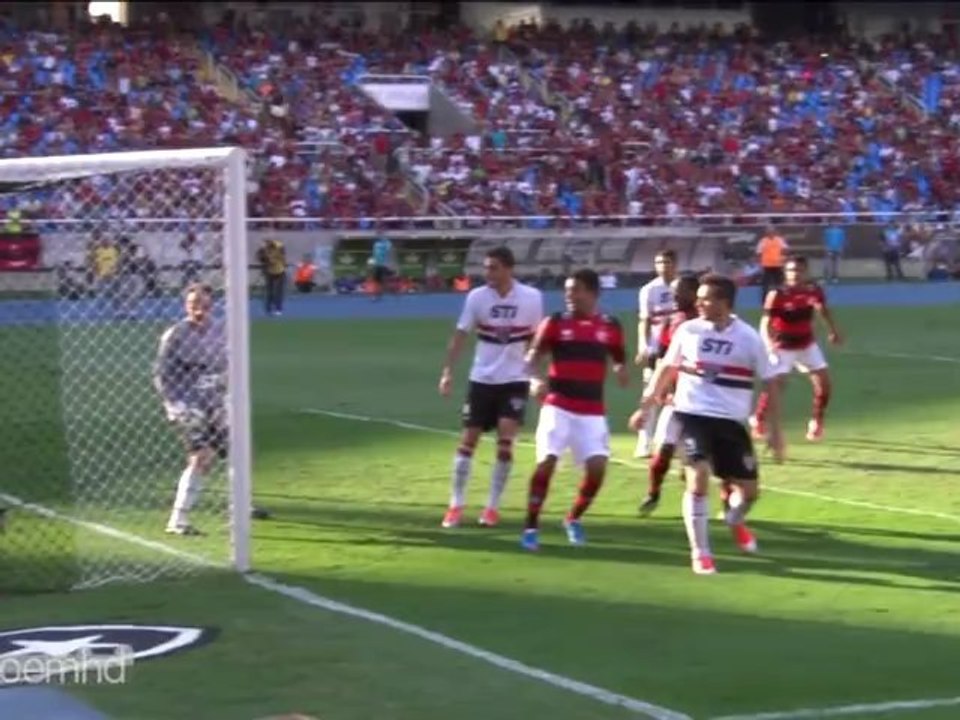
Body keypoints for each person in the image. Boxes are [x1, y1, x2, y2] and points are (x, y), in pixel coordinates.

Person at [634, 274, 783, 575]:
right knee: (698, 476)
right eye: (699, 297)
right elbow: (667, 368)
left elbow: (771, 382)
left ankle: (735, 519)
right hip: (691, 415)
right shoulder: (688, 330)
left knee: (750, 493)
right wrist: (646, 405)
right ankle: (700, 553)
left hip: (731, 423)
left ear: (724, 303)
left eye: (706, 298)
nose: (698, 302)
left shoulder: (748, 337)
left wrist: (776, 431)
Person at [521, 269, 629, 551]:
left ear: (593, 293)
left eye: (576, 290)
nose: (570, 296)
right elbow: (532, 357)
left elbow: (618, 355)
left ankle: (573, 518)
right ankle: (531, 525)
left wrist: (620, 368)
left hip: (592, 409)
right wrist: (534, 379)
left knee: (597, 469)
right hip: (558, 405)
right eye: (567, 291)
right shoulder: (555, 323)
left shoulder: (610, 325)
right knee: (546, 462)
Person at [438, 246, 544, 528]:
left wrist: (535, 376)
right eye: (486, 268)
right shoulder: (477, 297)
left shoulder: (531, 298)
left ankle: (492, 507)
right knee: (467, 442)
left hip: (515, 380)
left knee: (505, 445)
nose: (488, 273)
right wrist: (448, 372)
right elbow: (460, 335)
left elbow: (537, 342)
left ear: (509, 269)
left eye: (494, 268)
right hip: (481, 380)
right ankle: (455, 505)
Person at [154, 284, 269, 535]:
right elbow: (161, 377)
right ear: (186, 306)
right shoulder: (175, 335)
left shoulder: (221, 331)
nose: (199, 309)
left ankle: (240, 504)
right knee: (202, 458)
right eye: (193, 304)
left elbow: (228, 366)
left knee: (242, 450)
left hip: (216, 403)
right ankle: (178, 520)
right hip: (189, 407)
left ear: (211, 306)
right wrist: (176, 406)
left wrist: (227, 393)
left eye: (204, 304)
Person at [750, 255, 842, 443]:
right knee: (777, 385)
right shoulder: (777, 294)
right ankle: (758, 419)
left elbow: (822, 310)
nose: (795, 274)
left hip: (806, 344)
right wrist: (769, 346)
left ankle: (816, 422)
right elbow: (765, 322)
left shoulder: (813, 290)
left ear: (806, 272)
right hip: (782, 346)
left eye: (799, 270)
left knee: (824, 385)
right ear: (786, 273)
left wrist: (833, 330)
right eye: (791, 270)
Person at [631, 273, 700, 516]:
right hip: (675, 397)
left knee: (695, 463)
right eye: (672, 291)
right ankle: (653, 493)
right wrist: (660, 388)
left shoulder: (705, 321)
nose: (674, 296)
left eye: (679, 291)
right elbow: (662, 355)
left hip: (701, 402)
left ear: (694, 292)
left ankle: (723, 504)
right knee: (663, 450)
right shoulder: (673, 320)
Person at [634, 249, 677, 458]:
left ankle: (673, 441)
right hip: (657, 349)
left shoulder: (684, 288)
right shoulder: (649, 290)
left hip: (679, 349)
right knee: (650, 391)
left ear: (675, 264)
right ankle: (644, 442)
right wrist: (643, 344)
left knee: (678, 395)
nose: (663, 266)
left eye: (667, 262)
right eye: (659, 262)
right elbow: (644, 320)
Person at [756, 224, 788, 300]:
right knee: (766, 285)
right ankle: (765, 300)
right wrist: (760, 263)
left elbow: (785, 249)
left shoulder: (779, 240)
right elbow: (758, 252)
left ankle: (781, 299)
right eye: (768, 231)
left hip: (777, 265)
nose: (770, 233)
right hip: (767, 265)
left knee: (779, 283)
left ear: (774, 232)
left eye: (772, 231)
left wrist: (783, 258)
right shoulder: (763, 241)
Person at [257, 238, 287, 316]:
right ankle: (268, 309)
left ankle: (278, 309)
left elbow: (283, 250)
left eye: (268, 244)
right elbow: (261, 259)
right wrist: (262, 253)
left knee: (278, 292)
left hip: (279, 271)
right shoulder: (263, 251)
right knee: (269, 292)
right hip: (269, 272)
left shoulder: (278, 247)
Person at [370, 234, 394, 301]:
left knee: (383, 281)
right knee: (376, 281)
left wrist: (390, 264)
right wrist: (373, 263)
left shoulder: (387, 243)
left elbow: (389, 253)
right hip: (377, 265)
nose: (381, 237)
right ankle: (376, 295)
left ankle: (381, 293)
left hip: (384, 265)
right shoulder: (376, 244)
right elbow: (374, 254)